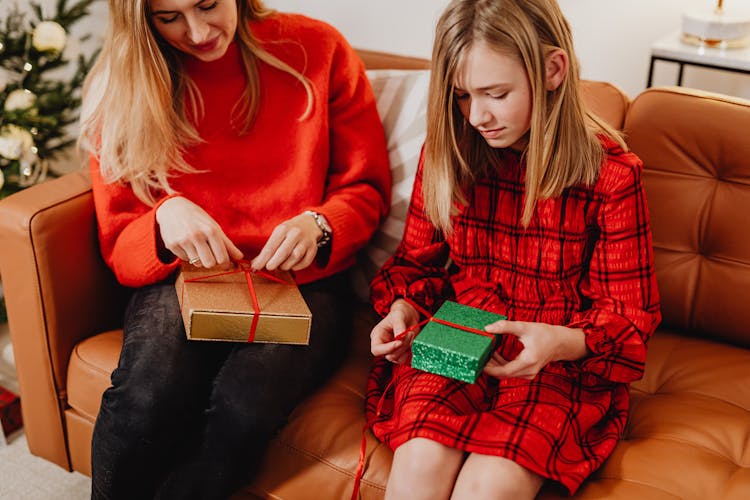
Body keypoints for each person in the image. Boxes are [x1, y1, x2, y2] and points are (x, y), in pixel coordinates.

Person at [79, 0, 390, 498]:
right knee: (146, 396)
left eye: (207, 4)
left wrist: (321, 225)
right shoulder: (123, 82)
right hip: (184, 277)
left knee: (246, 407)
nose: (199, 31)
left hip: (301, 278)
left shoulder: (319, 48)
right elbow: (121, 248)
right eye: (169, 17)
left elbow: (367, 190)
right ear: (141, 20)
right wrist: (162, 217)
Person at [366, 0, 661, 498]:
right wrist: (400, 311)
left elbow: (628, 317)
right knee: (417, 466)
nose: (478, 116)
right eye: (461, 97)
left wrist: (561, 342)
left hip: (557, 355)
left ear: (552, 70)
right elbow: (417, 264)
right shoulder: (450, 154)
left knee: (490, 485)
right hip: (460, 328)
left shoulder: (612, 177)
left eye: (496, 94)